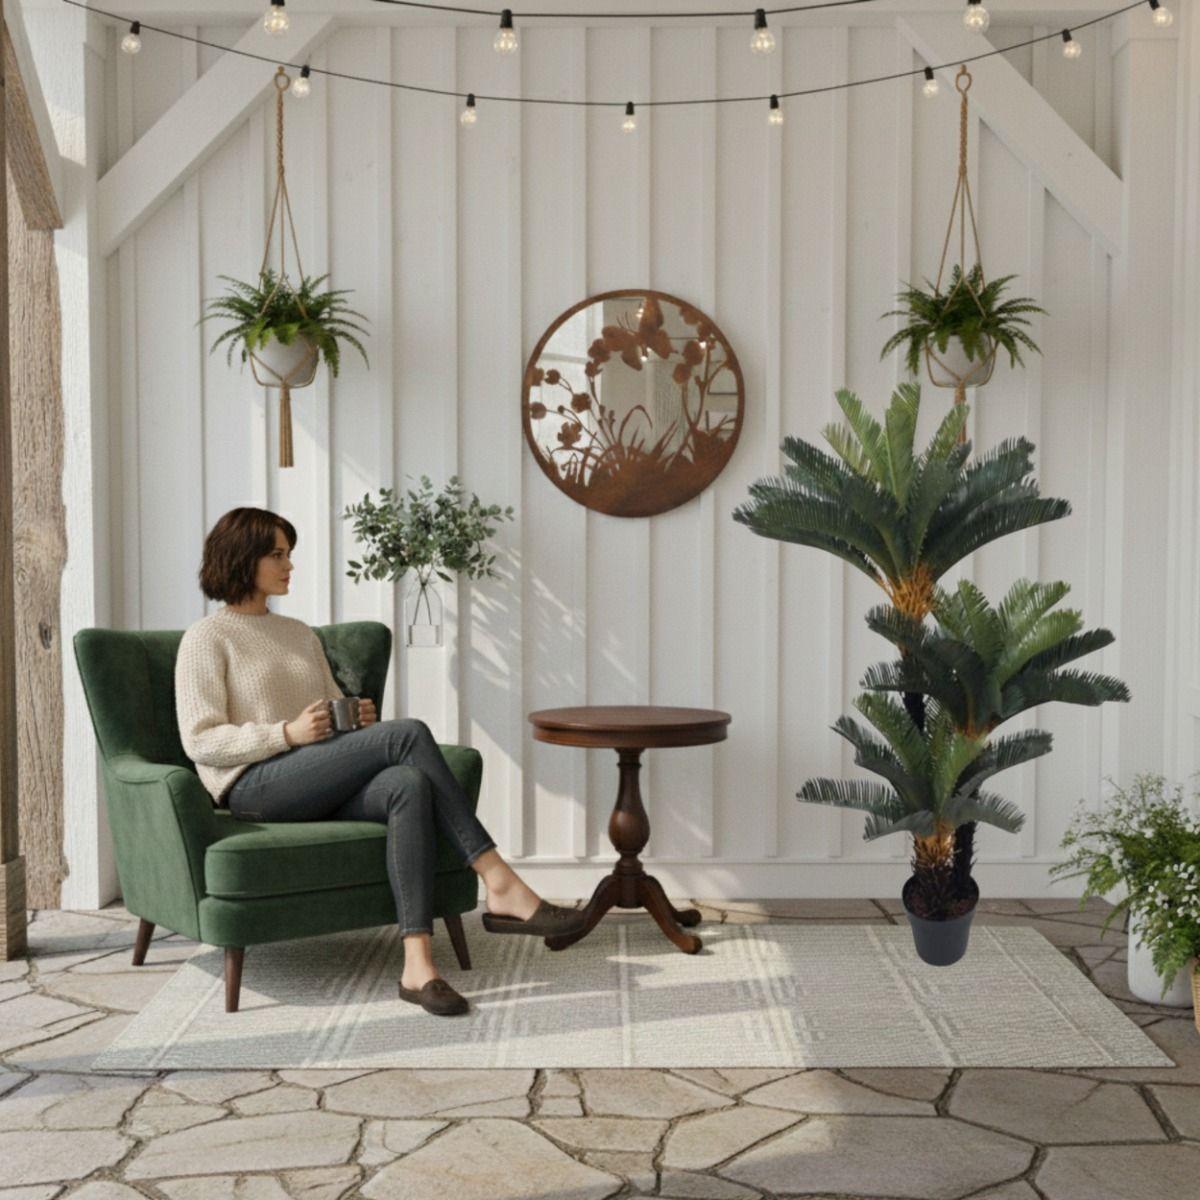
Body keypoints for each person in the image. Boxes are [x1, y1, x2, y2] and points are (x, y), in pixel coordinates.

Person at [174, 506, 587, 1017]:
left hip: (313, 775)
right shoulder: (207, 638)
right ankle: (499, 880)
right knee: (408, 733)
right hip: (254, 785)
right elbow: (200, 741)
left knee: (407, 783)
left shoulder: (299, 633)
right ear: (242, 557)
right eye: (277, 555)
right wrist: (285, 733)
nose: (289, 565)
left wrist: (354, 719)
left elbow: (327, 710)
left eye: (289, 554)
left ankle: (417, 967)